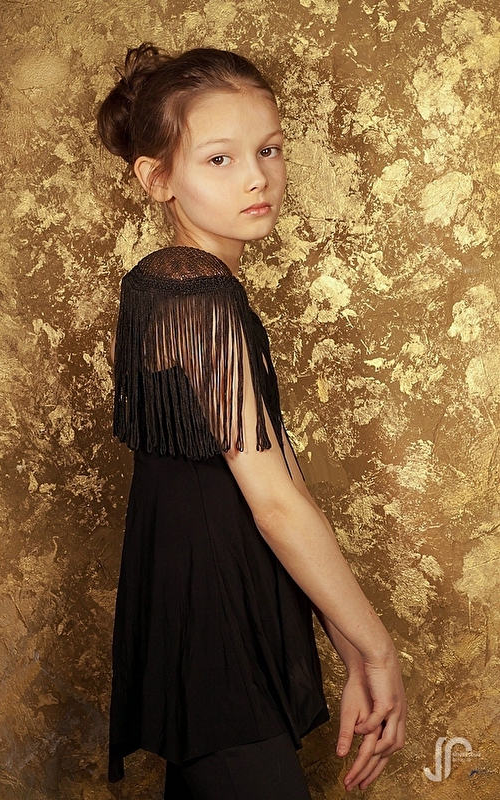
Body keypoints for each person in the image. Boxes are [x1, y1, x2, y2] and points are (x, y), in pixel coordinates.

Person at [97, 43, 406, 799]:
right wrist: (379, 651)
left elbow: (283, 478)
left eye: (268, 149)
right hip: (214, 624)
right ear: (156, 178)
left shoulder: (193, 286)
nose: (256, 177)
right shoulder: (193, 290)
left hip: (218, 606)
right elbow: (272, 503)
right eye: (219, 159)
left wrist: (347, 642)